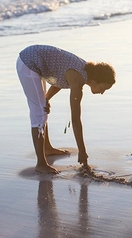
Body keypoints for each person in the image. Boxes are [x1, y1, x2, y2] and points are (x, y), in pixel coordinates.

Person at [16, 44, 116, 174]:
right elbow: (75, 120)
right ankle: (41, 163)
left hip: (36, 61)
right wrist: (82, 151)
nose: (102, 92)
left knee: (43, 109)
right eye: (104, 88)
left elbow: (59, 80)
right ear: (96, 80)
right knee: (38, 113)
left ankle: (47, 149)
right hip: (28, 62)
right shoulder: (78, 79)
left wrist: (47, 99)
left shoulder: (84, 71)